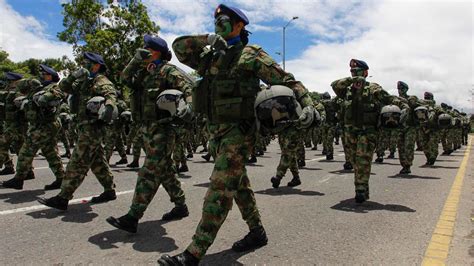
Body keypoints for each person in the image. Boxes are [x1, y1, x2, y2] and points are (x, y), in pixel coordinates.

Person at [158, 4, 314, 265]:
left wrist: (308, 103)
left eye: (225, 21)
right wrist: (206, 40)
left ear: (240, 26)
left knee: (219, 189)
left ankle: (194, 253)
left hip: (240, 132)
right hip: (215, 132)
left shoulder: (250, 54)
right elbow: (179, 48)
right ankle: (257, 232)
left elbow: (286, 81)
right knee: (238, 184)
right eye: (216, 22)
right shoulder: (209, 56)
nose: (219, 24)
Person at [106, 35, 193, 233]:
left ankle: (133, 216)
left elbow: (188, 87)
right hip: (146, 128)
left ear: (156, 52)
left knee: (149, 171)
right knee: (166, 169)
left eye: (146, 48)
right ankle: (181, 206)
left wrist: (188, 106)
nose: (143, 49)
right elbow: (124, 79)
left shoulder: (168, 71)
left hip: (163, 129)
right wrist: (135, 61)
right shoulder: (143, 73)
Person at [37, 52, 118, 210]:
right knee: (98, 162)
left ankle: (63, 197)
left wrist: (109, 106)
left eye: (87, 63)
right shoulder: (85, 82)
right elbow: (64, 87)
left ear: (96, 65)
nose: (84, 65)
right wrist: (73, 76)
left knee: (77, 162)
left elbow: (111, 94)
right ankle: (109, 190)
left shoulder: (100, 81)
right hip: (85, 126)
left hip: (93, 128)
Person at [331, 59, 407, 203]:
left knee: (363, 160)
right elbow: (334, 85)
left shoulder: (373, 88)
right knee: (354, 161)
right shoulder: (346, 90)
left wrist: (403, 105)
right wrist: (350, 80)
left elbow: (388, 98)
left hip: (367, 131)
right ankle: (363, 187)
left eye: (357, 71)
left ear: (365, 73)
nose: (354, 74)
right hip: (349, 132)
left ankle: (360, 189)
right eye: (352, 72)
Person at [1, 64, 66, 190]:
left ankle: (18, 179)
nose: (42, 76)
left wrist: (44, 97)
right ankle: (61, 178)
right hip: (39, 125)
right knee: (51, 153)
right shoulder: (38, 88)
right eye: (41, 74)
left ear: (50, 77)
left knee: (26, 152)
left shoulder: (53, 87)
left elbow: (58, 95)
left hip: (44, 126)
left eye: (44, 75)